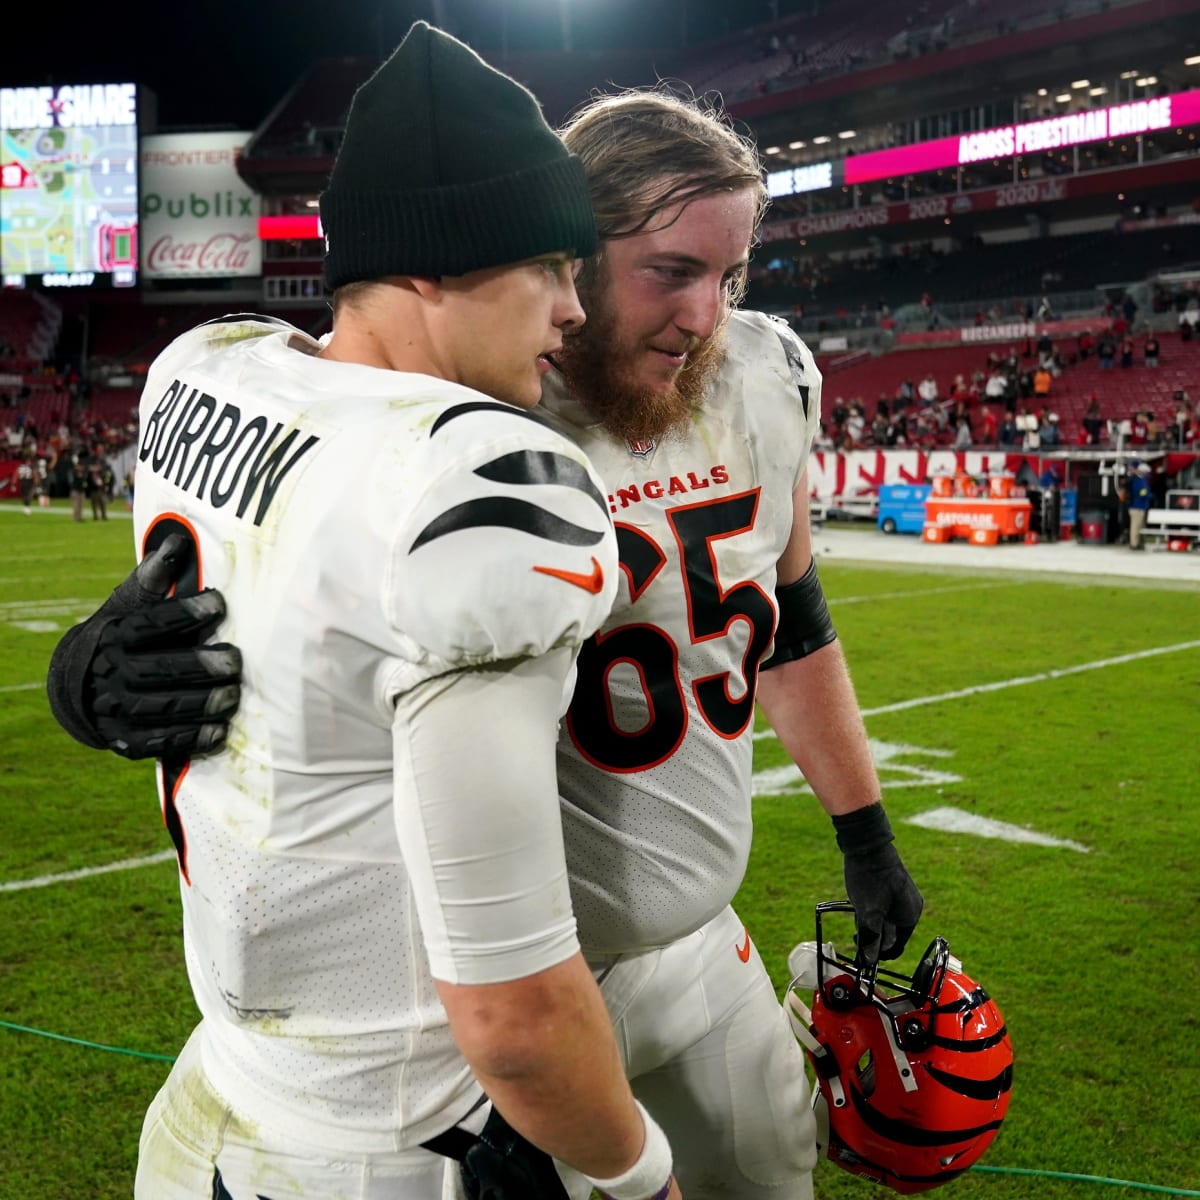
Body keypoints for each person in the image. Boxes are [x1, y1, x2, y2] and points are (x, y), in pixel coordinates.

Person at [48, 83, 923, 1200]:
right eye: (669, 271)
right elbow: (286, 543)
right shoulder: (459, 416)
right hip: (508, 979)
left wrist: (865, 831)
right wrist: (85, 671)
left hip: (694, 941)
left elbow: (791, 622)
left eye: (731, 273)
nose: (709, 314)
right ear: (563, 248)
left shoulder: (762, 378)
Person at [48, 24, 681, 1200]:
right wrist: (641, 1178)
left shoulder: (207, 369)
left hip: (213, 1097)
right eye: (547, 267)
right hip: (390, 1139)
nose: (572, 311)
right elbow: (516, 1010)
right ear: (432, 266)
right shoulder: (477, 485)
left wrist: (72, 674)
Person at [1126, 461, 1154, 550]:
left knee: (1141, 527)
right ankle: (1134, 544)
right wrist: (1149, 495)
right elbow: (1142, 492)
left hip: (1141, 507)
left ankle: (1140, 543)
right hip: (1136, 507)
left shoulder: (1142, 480)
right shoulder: (1137, 480)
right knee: (1135, 527)